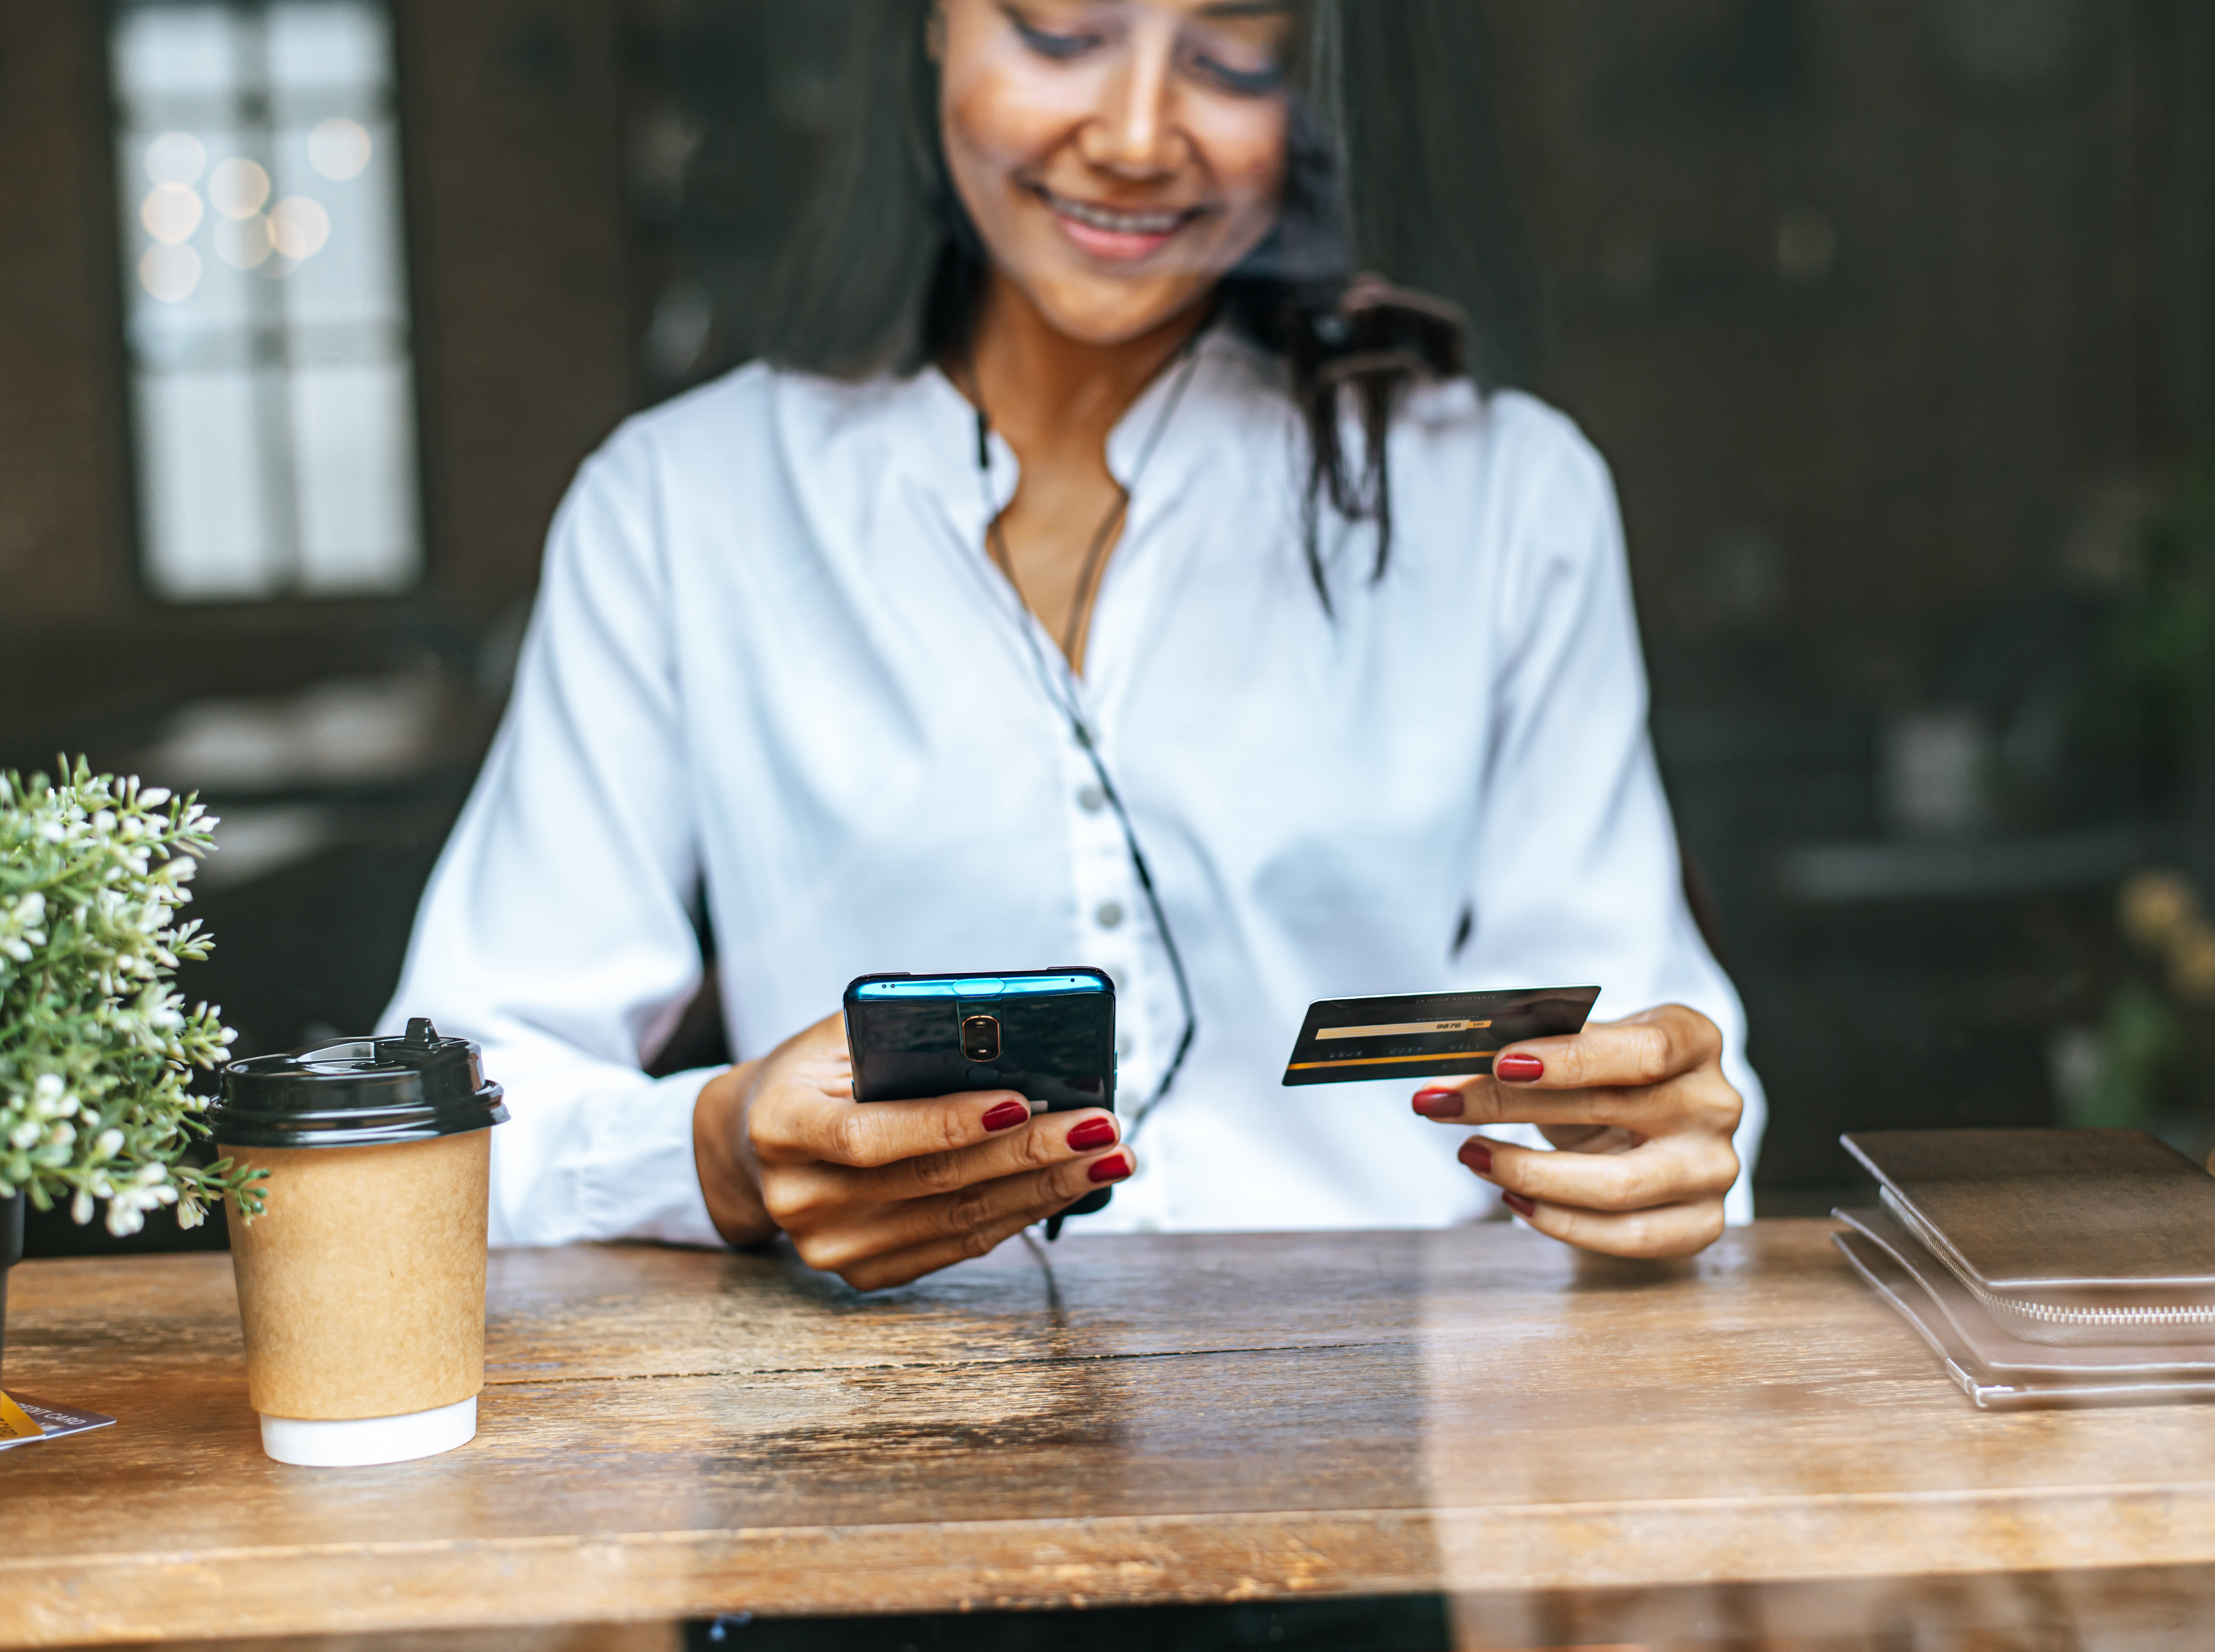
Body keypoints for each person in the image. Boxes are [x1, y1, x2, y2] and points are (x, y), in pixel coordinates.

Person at [384, 0, 1765, 1289]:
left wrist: (1660, 1149)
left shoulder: (1503, 490)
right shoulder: (685, 506)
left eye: (1232, 58)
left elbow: (1646, 1062)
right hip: (874, 1455)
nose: (1136, 136)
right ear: (928, 22)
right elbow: (444, 1115)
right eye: (1063, 33)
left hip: (1393, 1438)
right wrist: (720, 1153)